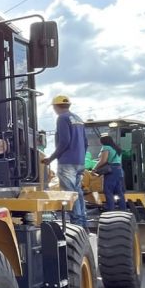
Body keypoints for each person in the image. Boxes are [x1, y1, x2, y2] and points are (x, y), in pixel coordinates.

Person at [42, 94, 87, 226]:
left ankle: (77, 224)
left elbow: (64, 141)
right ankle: (83, 224)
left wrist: (51, 158)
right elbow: (85, 142)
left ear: (56, 107)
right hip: (79, 162)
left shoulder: (62, 118)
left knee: (70, 194)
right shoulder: (78, 119)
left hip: (67, 162)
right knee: (78, 193)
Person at [93, 133, 126, 211]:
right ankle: (123, 209)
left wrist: (94, 168)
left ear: (103, 142)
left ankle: (110, 209)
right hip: (119, 170)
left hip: (111, 170)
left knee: (108, 190)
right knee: (119, 191)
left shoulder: (106, 147)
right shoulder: (117, 148)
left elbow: (103, 161)